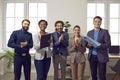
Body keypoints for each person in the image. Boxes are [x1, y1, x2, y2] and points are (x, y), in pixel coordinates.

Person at [87, 16, 111, 80]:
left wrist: (98, 45)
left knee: (102, 76)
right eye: (96, 21)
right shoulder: (89, 32)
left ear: (101, 23)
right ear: (93, 22)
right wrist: (89, 45)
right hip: (92, 56)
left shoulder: (105, 32)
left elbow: (108, 44)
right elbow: (87, 44)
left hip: (102, 56)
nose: (97, 23)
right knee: (93, 75)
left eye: (99, 21)